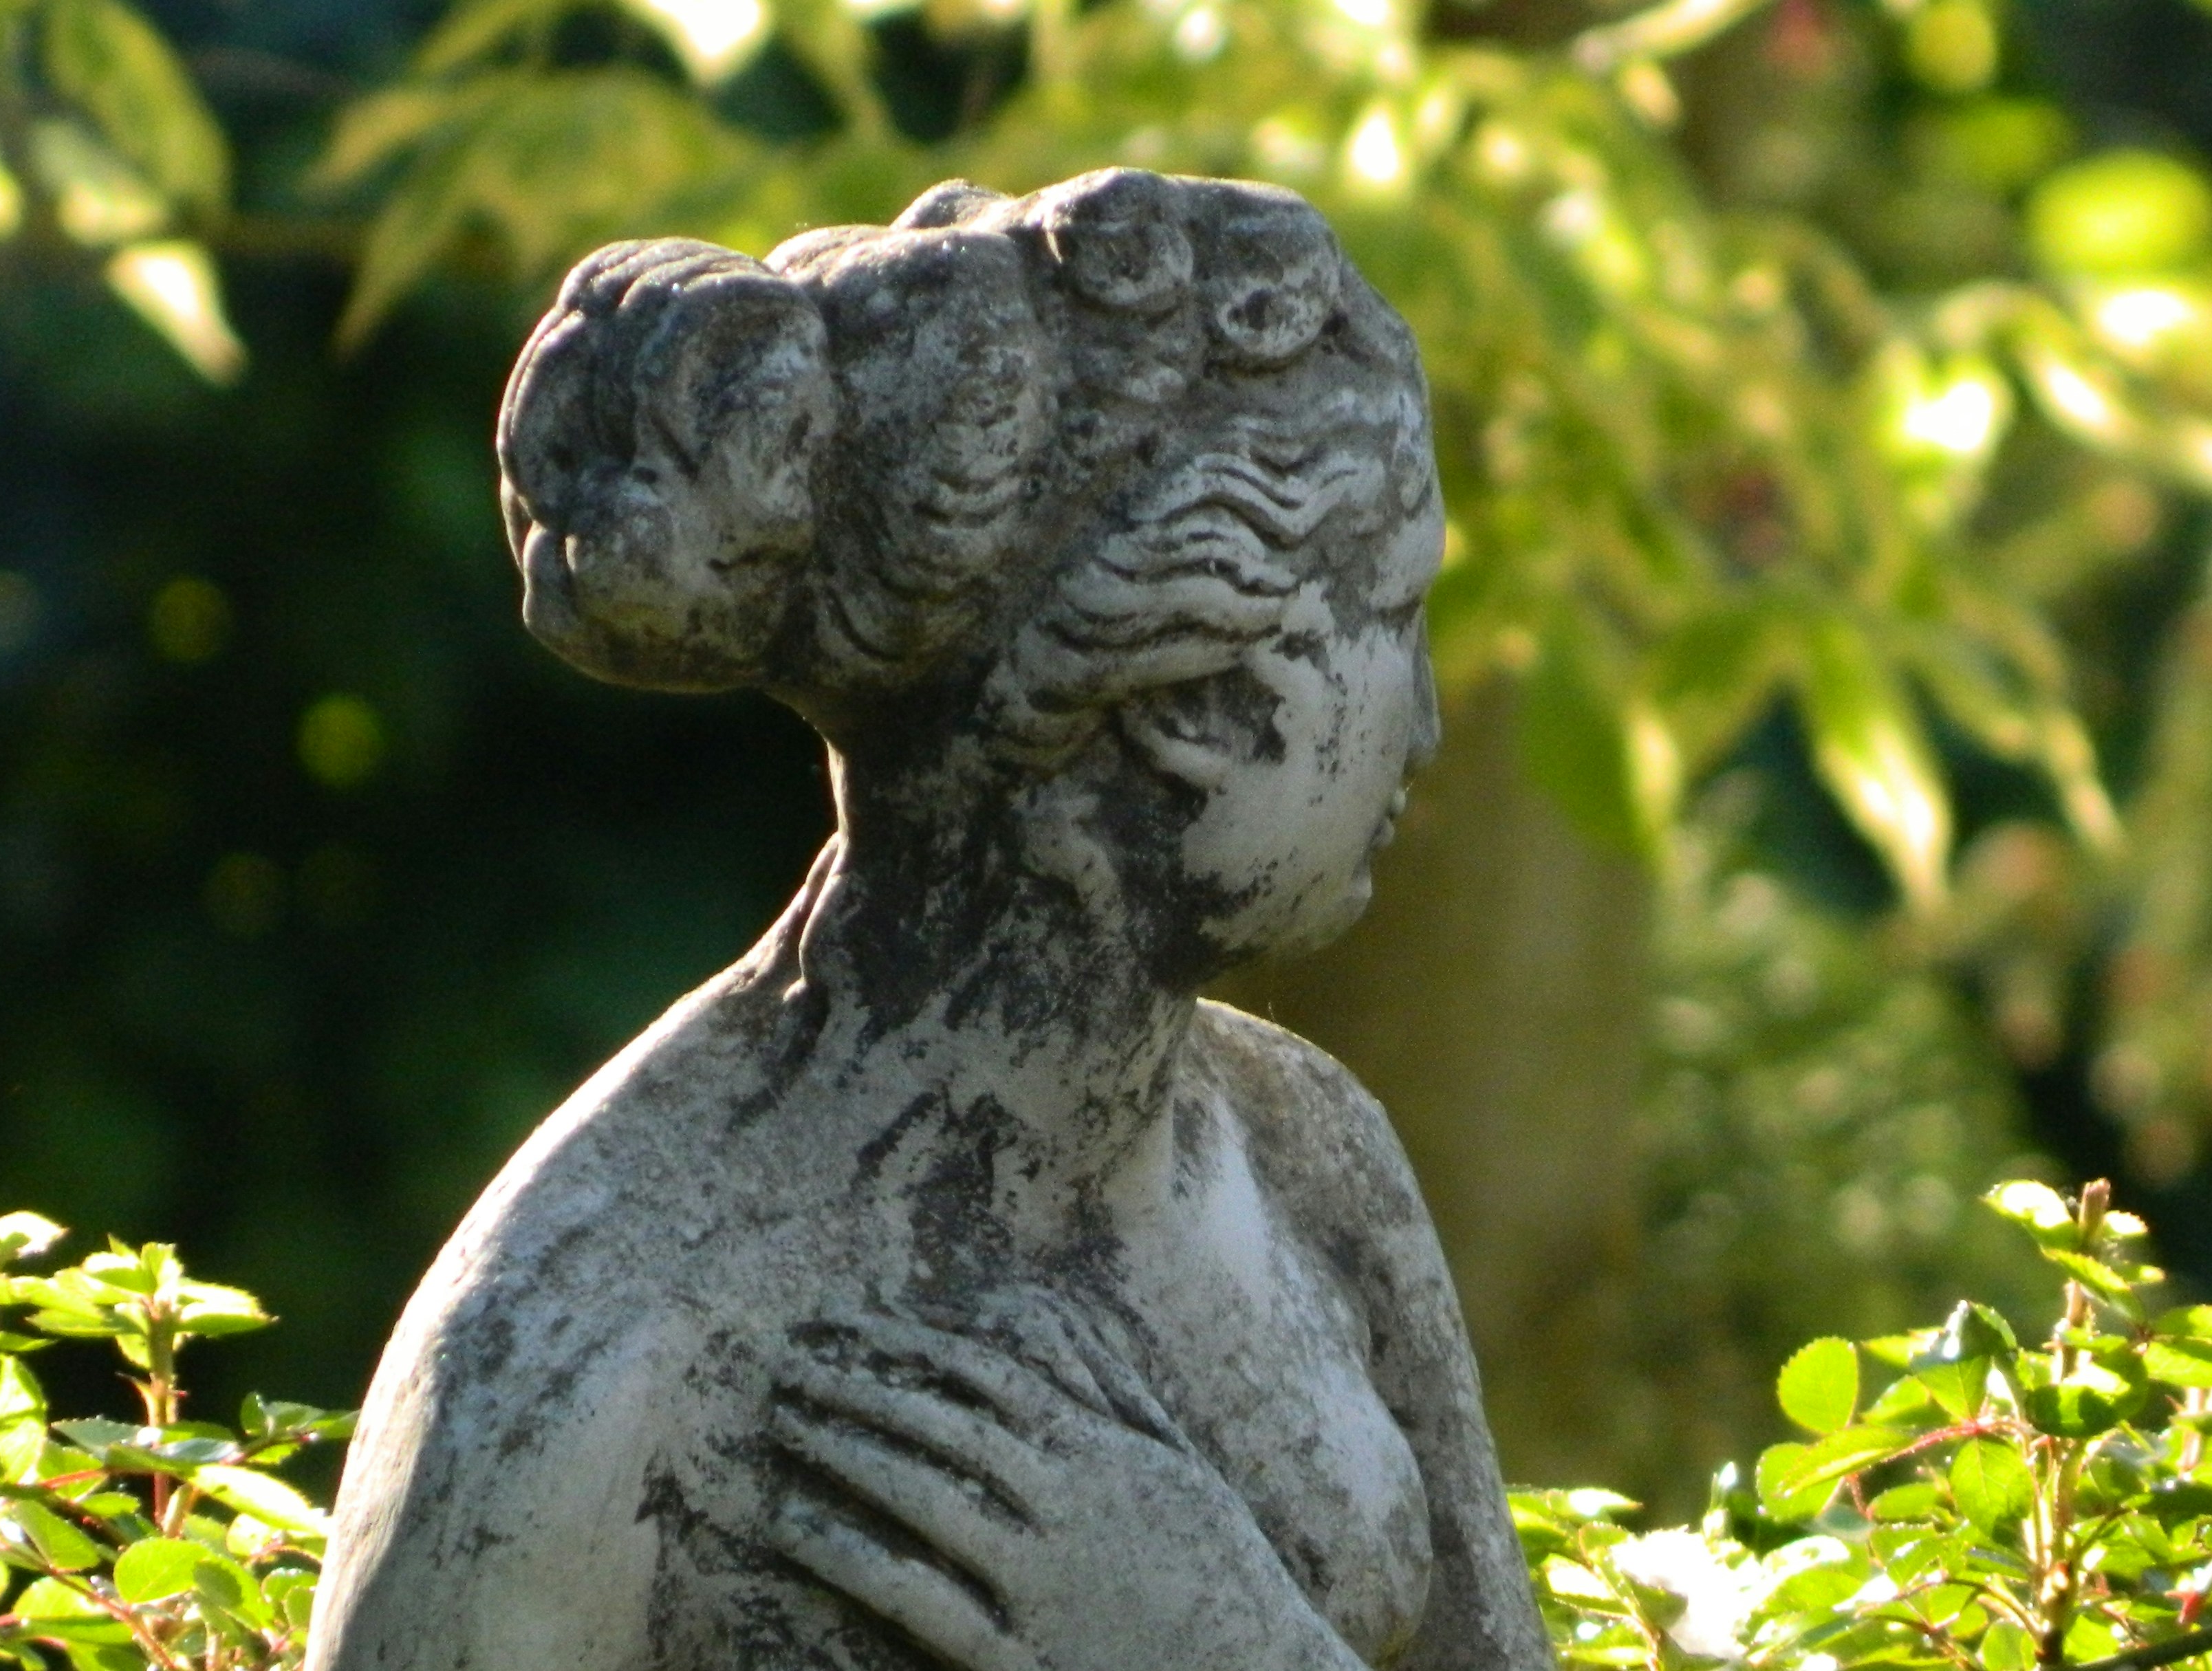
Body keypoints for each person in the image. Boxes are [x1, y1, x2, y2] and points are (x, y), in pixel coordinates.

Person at [307, 167, 1547, 1671]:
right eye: (1390, 623)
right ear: (1197, 703)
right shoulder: (591, 1370)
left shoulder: (1309, 1153)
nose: (1424, 725)